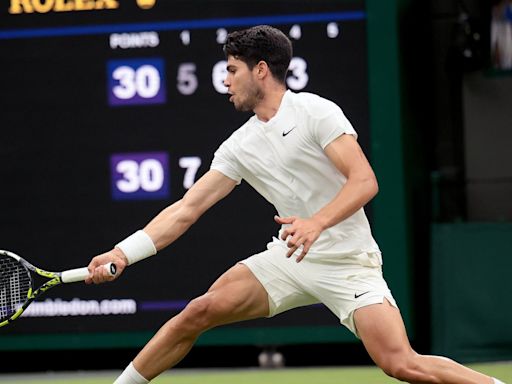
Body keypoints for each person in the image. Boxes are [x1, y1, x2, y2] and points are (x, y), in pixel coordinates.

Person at [86, 25, 506, 384]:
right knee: (199, 311)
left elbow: (365, 180)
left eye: (232, 70)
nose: (226, 81)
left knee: (401, 364)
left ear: (261, 70)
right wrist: (124, 252)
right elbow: (185, 209)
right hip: (290, 258)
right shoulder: (239, 145)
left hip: (348, 262)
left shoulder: (315, 112)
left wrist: (316, 223)